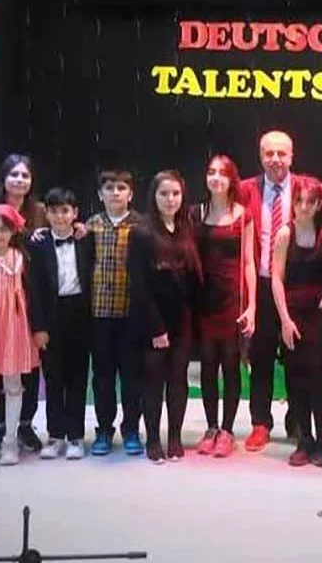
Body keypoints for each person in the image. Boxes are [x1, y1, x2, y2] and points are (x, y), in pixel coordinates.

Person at [238, 131, 322, 451]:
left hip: (300, 289)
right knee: (261, 357)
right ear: (260, 156)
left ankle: (298, 421)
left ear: (292, 156)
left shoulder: (311, 189)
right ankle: (260, 423)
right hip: (263, 284)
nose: (275, 159)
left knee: (300, 359)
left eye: (282, 153)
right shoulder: (246, 190)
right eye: (269, 153)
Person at [0, 154, 50, 455]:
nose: (19, 180)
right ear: (3, 178)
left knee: (24, 369)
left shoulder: (39, 211)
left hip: (25, 297)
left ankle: (22, 427)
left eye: (25, 175)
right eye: (14, 174)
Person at [128, 171, 202, 463]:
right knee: (153, 383)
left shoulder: (187, 228)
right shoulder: (142, 232)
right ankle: (152, 440)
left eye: (175, 194)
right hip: (152, 323)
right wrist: (156, 328)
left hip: (182, 320)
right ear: (153, 196)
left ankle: (174, 437)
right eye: (164, 194)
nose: (170, 199)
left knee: (178, 381)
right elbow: (139, 285)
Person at [193, 155, 256, 457]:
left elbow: (249, 263)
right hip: (203, 302)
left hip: (232, 302)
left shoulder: (244, 215)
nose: (216, 178)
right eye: (211, 172)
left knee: (231, 367)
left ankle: (228, 430)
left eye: (222, 173)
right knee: (207, 367)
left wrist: (252, 306)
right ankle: (210, 428)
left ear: (232, 179)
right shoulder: (195, 213)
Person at [272, 177, 322, 467]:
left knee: (318, 383)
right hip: (293, 316)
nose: (304, 207)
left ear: (320, 204)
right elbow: (276, 279)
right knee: (295, 382)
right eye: (299, 201)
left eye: (311, 201)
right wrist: (285, 320)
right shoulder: (285, 234)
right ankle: (304, 440)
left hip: (319, 318)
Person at [27, 188, 94, 461]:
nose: (60, 216)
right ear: (47, 213)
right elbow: (33, 289)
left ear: (75, 213)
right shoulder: (38, 244)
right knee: (53, 378)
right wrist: (38, 327)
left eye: (65, 211)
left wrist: (83, 229)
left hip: (80, 314)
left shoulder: (86, 240)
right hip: (51, 316)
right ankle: (55, 435)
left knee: (78, 378)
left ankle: (76, 436)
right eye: (54, 211)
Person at [85, 168, 143, 456]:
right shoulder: (91, 226)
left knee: (132, 376)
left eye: (121, 188)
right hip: (100, 314)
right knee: (103, 376)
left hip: (132, 314)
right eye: (109, 188)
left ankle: (131, 428)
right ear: (100, 194)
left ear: (130, 194)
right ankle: (104, 429)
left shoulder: (141, 226)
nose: (115, 193)